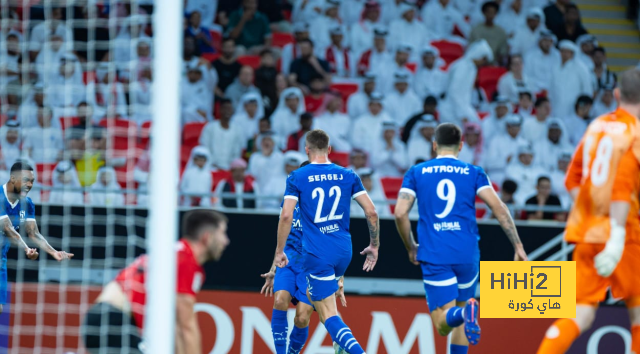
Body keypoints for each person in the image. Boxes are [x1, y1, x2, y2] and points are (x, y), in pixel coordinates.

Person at [394, 123, 528, 354]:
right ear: (461, 146)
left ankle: (465, 313)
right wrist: (517, 245)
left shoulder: (416, 172)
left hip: (436, 254)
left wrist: (410, 246)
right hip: (468, 254)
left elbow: (399, 212)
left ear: (434, 145)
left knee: (443, 323)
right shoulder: (474, 172)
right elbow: (499, 207)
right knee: (462, 310)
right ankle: (466, 311)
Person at [536, 69, 640, 354]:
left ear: (617, 95)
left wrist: (594, 211)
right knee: (639, 315)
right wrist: (616, 233)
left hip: (585, 234)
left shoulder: (597, 125)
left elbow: (571, 179)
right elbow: (622, 186)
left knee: (580, 314)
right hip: (624, 234)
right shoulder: (636, 133)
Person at [273, 129, 380, 354]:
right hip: (344, 251)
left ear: (306, 150)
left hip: (317, 253)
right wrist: (374, 245)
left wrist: (278, 252)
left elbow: (285, 216)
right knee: (315, 310)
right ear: (330, 149)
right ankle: (338, 342)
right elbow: (371, 212)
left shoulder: (297, 177)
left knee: (327, 315)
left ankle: (353, 349)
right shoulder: (349, 174)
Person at [82, 209, 229, 354]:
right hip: (113, 322)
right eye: (222, 233)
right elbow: (187, 327)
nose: (226, 241)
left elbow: (177, 327)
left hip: (105, 319)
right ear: (207, 237)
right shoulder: (185, 262)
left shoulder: (175, 254)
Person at [261, 159, 348, 354]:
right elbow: (283, 237)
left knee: (301, 317)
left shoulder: (327, 209)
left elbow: (337, 246)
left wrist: (339, 278)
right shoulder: (289, 202)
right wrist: (274, 267)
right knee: (279, 300)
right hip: (289, 261)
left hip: (312, 266)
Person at [1, 162, 73, 311]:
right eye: (26, 179)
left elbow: (33, 233)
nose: (29, 184)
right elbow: (7, 228)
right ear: (13, 178)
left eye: (32, 181)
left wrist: (54, 252)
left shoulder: (27, 203)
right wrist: (27, 249)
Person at [440, 39, 493, 125]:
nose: (483, 63)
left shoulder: (471, 68)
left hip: (462, 108)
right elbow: (454, 92)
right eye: (484, 60)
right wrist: (462, 114)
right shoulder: (462, 67)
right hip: (451, 110)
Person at [549, 40, 593, 118]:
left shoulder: (580, 67)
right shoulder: (555, 66)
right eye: (562, 51)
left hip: (573, 105)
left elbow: (587, 87)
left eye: (567, 52)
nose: (564, 54)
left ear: (572, 53)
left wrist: (585, 105)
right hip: (555, 105)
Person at [199, 98, 243, 170]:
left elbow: (237, 152)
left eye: (230, 109)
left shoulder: (237, 130)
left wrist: (231, 166)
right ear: (220, 110)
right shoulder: (210, 127)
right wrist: (213, 164)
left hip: (230, 169)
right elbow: (205, 148)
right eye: (225, 108)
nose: (227, 111)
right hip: (211, 166)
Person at [484, 114, 527, 185]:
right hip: (499, 174)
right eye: (512, 126)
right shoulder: (496, 140)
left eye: (517, 126)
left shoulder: (524, 142)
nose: (515, 129)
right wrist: (505, 161)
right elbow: (489, 164)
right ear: (507, 127)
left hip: (519, 174)